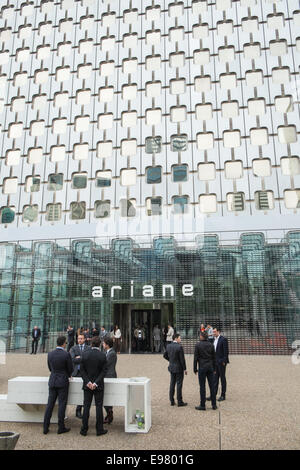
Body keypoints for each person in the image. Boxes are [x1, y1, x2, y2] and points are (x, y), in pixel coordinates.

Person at [43, 335, 73, 435]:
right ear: (64, 343)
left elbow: (50, 368)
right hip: (63, 381)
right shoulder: (66, 354)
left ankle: (45, 427)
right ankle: (61, 427)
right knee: (62, 405)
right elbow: (70, 369)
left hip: (53, 380)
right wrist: (68, 375)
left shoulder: (50, 354)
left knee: (50, 405)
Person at [80, 336, 108, 436]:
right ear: (99, 344)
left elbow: (82, 370)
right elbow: (104, 371)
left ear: (91, 344)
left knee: (86, 407)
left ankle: (84, 429)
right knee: (98, 407)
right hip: (98, 385)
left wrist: (88, 382)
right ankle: (99, 429)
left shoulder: (85, 354)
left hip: (87, 385)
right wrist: (96, 383)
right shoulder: (102, 355)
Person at [193, 331, 217, 411]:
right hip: (210, 367)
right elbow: (214, 357)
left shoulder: (198, 345)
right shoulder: (211, 345)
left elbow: (195, 358)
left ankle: (202, 405)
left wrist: (195, 369)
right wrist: (214, 369)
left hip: (202, 367)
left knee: (202, 387)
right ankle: (214, 404)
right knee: (212, 386)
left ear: (202, 337)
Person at [163, 333, 187, 407]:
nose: (180, 339)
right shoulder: (179, 347)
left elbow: (164, 355)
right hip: (179, 368)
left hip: (171, 367)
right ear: (176, 338)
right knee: (179, 384)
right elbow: (182, 360)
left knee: (172, 383)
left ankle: (172, 400)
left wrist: (170, 360)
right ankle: (179, 401)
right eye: (180, 338)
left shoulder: (168, 346)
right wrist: (185, 369)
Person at [69, 333, 90, 419]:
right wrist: (82, 358)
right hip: (76, 372)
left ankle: (81, 408)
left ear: (84, 339)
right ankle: (78, 410)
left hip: (85, 372)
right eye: (78, 339)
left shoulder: (88, 348)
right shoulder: (73, 348)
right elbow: (72, 359)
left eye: (81, 338)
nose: (79, 340)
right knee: (76, 391)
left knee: (83, 391)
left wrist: (79, 358)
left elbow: (88, 359)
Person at [210, 327, 229, 402]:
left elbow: (226, 352)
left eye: (214, 332)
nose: (213, 333)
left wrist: (223, 361)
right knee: (215, 379)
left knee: (222, 379)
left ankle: (223, 395)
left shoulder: (223, 339)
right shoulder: (213, 340)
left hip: (221, 363)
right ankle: (213, 395)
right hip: (215, 363)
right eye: (213, 332)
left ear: (218, 332)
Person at [103, 336, 117, 424]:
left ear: (107, 344)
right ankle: (109, 413)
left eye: (104, 343)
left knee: (108, 396)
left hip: (109, 376)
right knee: (106, 396)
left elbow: (105, 364)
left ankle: (109, 413)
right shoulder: (107, 352)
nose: (102, 344)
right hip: (107, 375)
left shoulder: (111, 353)